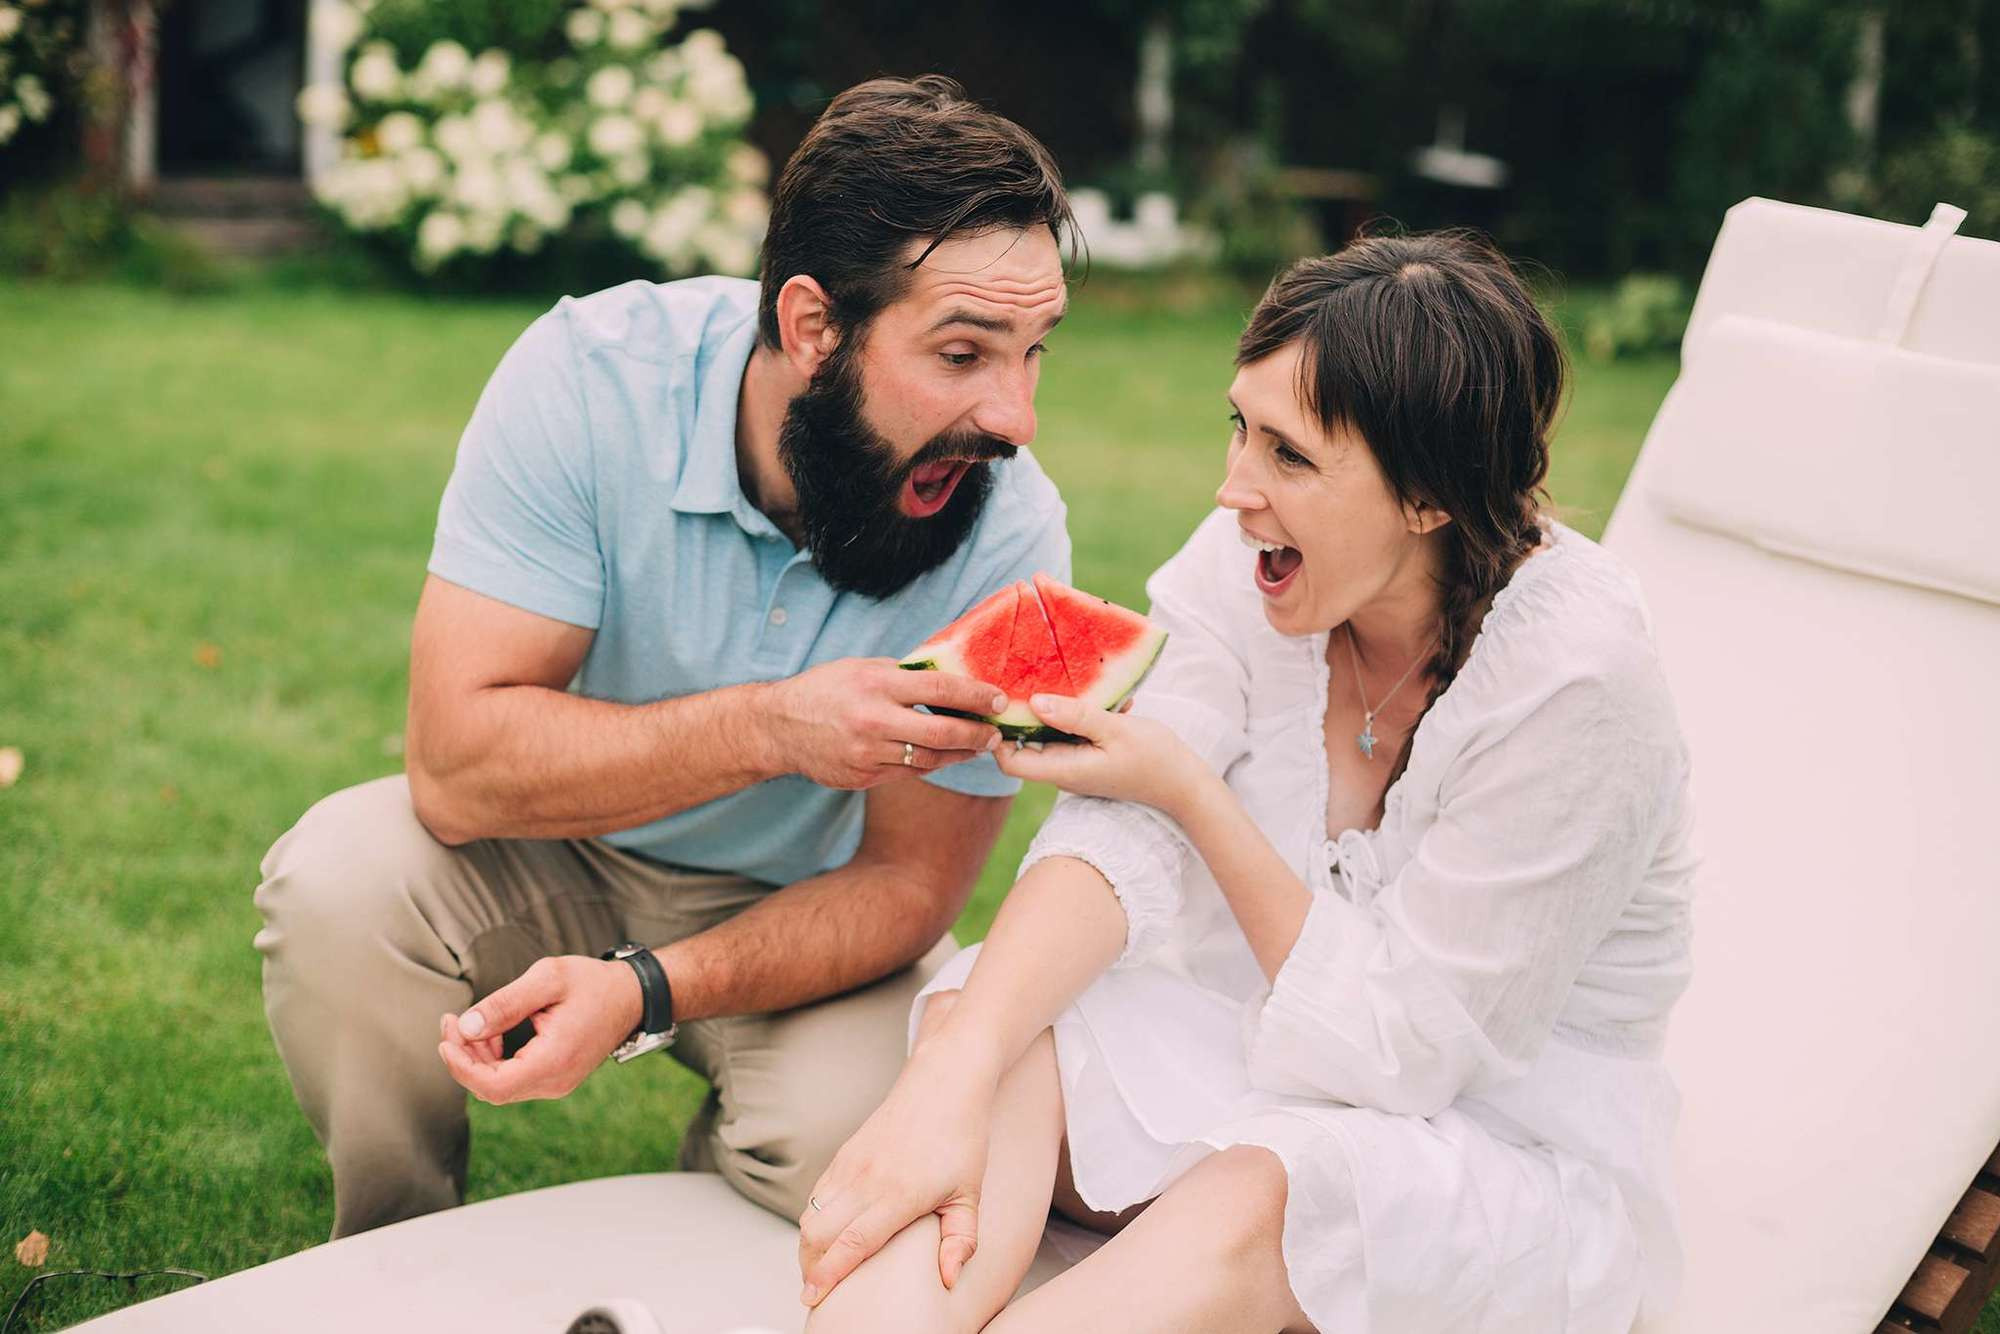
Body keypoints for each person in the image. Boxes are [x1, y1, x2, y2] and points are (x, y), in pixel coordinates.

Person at [796, 231, 1698, 1333]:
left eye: (1288, 455)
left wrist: (1193, 794)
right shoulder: (1259, 558)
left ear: (1427, 496)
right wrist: (954, 1072)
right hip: (1263, 1056)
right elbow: (1118, 838)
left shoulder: (1576, 685)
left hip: (1492, 1140)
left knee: (1260, 1194)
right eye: (1240, 426)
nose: (1233, 488)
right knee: (990, 1021)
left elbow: (1405, 1051)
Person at [252, 74, 1075, 1240]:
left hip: (805, 903)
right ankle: (390, 1248)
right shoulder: (590, 381)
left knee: (875, 1149)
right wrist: (771, 727)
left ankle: (691, 1224)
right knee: (335, 878)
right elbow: (453, 764)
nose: (1014, 417)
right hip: (552, 850)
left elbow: (907, 886)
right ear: (811, 328)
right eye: (961, 353)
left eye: (1034, 351)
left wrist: (644, 988)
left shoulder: (1009, 527)